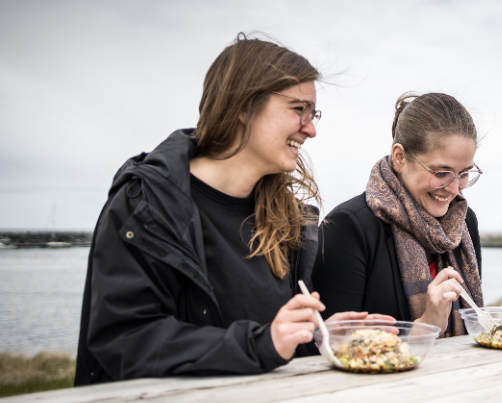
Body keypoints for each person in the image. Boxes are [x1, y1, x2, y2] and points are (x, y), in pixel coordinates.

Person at [75, 34, 390, 386]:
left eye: (312, 113)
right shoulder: (147, 203)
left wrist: (316, 337)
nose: (311, 130)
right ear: (243, 106)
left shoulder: (286, 218)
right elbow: (123, 340)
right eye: (297, 109)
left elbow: (270, 349)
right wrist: (262, 343)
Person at [312, 92, 484, 337]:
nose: (455, 189)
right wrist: (427, 326)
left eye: (464, 173)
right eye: (441, 173)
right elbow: (327, 345)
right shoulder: (347, 228)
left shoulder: (464, 222)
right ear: (400, 157)